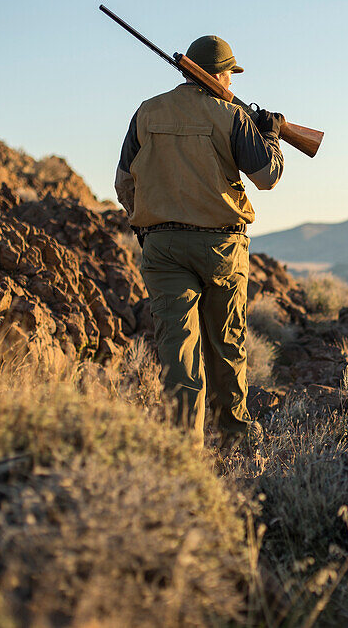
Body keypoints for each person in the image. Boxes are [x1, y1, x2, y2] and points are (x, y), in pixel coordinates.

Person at [114, 34, 283, 448]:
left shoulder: (147, 111)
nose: (233, 83)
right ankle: (234, 441)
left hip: (163, 249)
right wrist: (272, 136)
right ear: (222, 73)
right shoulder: (231, 115)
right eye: (231, 74)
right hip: (221, 250)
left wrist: (147, 231)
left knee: (178, 354)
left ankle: (184, 453)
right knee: (227, 345)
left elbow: (124, 184)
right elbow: (267, 177)